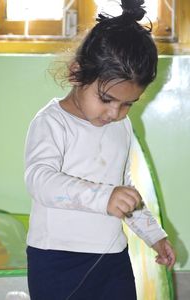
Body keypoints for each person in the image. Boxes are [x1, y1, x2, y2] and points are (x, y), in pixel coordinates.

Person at [24, 0, 176, 299]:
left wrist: (154, 235)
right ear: (76, 72)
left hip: (111, 255)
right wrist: (103, 197)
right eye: (106, 99)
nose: (115, 112)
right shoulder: (52, 122)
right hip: (57, 258)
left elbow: (124, 189)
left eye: (127, 104)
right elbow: (39, 180)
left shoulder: (120, 125)